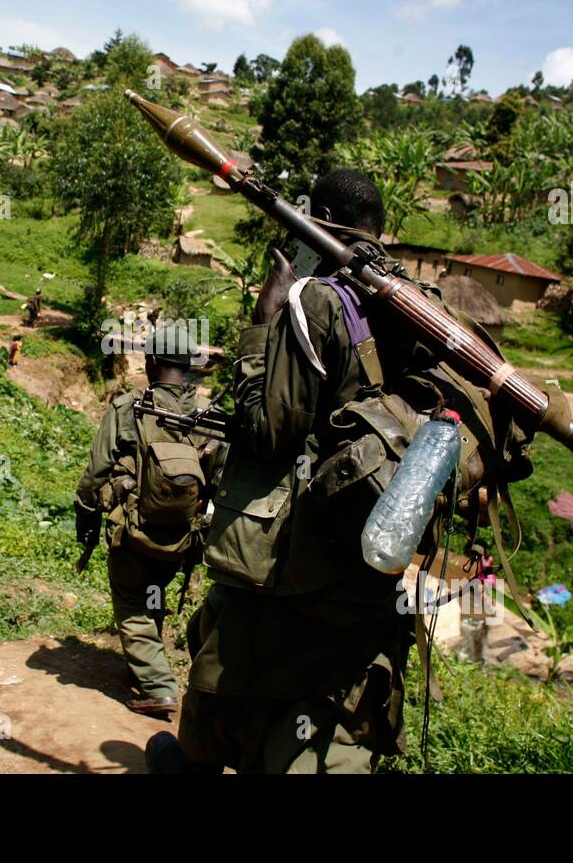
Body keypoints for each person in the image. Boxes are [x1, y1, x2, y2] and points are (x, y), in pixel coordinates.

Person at [170, 169, 421, 774]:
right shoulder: (414, 301)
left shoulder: (317, 300)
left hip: (293, 556)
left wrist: (264, 320)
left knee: (233, 681)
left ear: (319, 218)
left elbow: (270, 431)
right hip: (370, 551)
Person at [75, 330, 221, 717]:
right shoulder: (210, 415)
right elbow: (222, 480)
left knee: (133, 603)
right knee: (153, 591)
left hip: (134, 530)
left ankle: (157, 686)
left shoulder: (127, 407)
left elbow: (96, 471)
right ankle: (146, 669)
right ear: (189, 367)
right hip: (183, 537)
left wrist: (85, 514)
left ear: (151, 363)